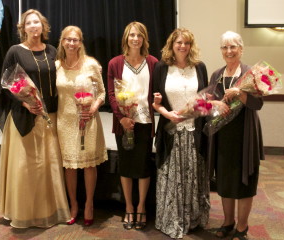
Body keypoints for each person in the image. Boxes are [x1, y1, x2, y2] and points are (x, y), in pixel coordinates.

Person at [0, 9, 70, 228]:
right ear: (23, 28)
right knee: (27, 169)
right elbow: (6, 84)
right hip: (25, 117)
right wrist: (25, 103)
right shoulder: (15, 51)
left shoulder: (53, 50)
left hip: (50, 117)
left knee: (48, 168)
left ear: (43, 26)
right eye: (29, 23)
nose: (33, 26)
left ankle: (47, 211)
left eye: (37, 22)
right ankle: (25, 213)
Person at [152, 28, 210, 239]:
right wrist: (167, 113)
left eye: (186, 43)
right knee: (171, 175)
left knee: (194, 174)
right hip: (171, 131)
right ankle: (172, 218)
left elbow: (205, 100)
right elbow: (155, 102)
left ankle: (193, 218)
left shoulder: (200, 67)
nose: (182, 46)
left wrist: (199, 107)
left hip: (195, 131)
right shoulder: (161, 67)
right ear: (172, 45)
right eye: (179, 42)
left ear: (191, 46)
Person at [208, 31, 264, 240]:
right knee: (225, 180)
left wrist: (240, 93)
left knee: (245, 181)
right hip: (223, 137)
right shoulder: (217, 74)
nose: (229, 51)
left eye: (233, 47)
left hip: (244, 136)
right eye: (225, 47)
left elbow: (258, 104)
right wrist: (214, 103)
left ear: (241, 49)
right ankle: (227, 221)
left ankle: (242, 226)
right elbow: (208, 103)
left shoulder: (251, 73)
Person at [107, 21, 158, 230]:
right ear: (126, 38)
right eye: (131, 35)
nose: (135, 39)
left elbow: (157, 91)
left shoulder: (153, 62)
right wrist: (121, 118)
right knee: (126, 167)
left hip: (145, 123)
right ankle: (128, 207)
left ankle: (141, 207)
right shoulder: (115, 63)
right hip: (123, 124)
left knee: (144, 166)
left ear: (144, 39)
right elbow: (111, 94)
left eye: (139, 35)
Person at [56, 25, 108, 226]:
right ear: (62, 41)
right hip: (65, 121)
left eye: (75, 39)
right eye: (68, 39)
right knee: (69, 166)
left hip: (87, 119)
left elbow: (102, 93)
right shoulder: (57, 66)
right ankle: (74, 204)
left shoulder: (91, 64)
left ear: (80, 42)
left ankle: (89, 204)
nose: (71, 43)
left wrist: (92, 108)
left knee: (88, 165)